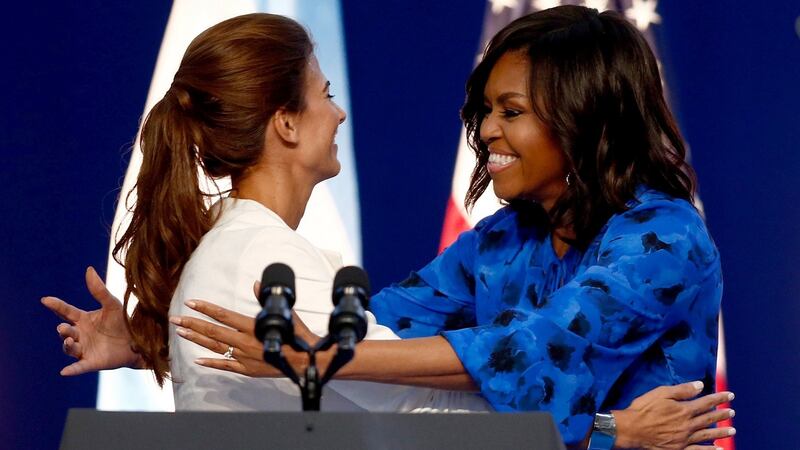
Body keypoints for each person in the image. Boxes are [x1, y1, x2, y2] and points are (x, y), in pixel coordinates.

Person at [43, 7, 734, 449]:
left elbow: (536, 352)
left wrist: (323, 358)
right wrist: (150, 338)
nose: (486, 131)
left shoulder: (663, 239)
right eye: (486, 109)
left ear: (586, 116)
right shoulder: (503, 241)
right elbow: (380, 329)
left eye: (511, 111)